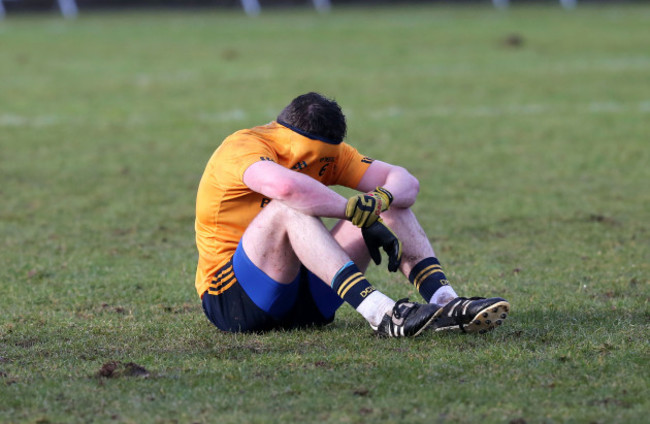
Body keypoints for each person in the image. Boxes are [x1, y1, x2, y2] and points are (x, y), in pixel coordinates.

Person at [195, 92, 510, 337]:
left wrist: (378, 201)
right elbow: (287, 187)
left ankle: (446, 302)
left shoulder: (332, 155)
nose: (316, 164)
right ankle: (381, 314)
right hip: (233, 301)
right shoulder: (243, 147)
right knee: (288, 208)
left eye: (324, 158)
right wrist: (351, 210)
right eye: (308, 157)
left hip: (309, 301)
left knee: (391, 204)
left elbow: (405, 182)